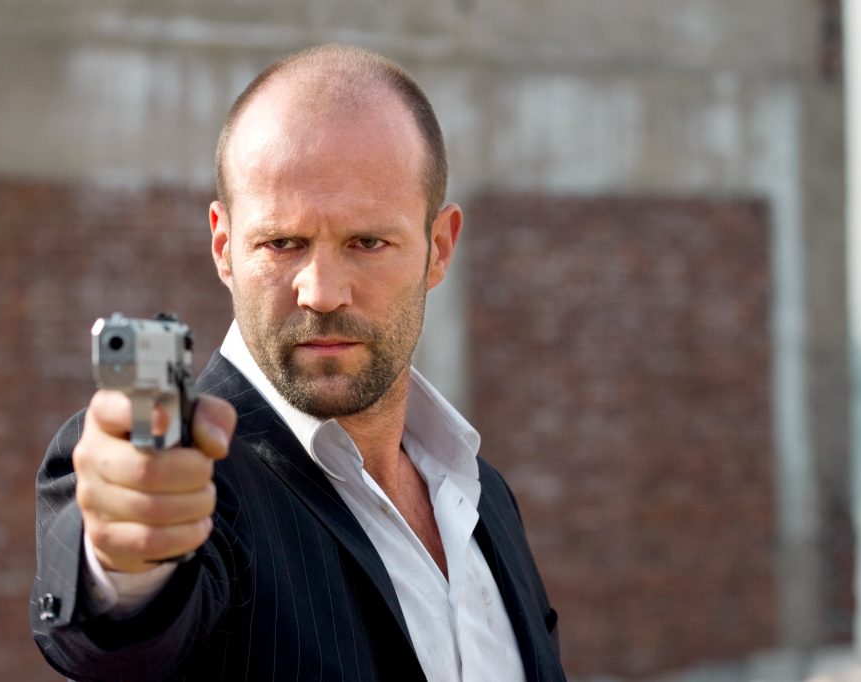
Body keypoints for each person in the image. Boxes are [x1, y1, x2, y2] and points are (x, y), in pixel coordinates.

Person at [31, 44, 565, 682]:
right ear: (225, 247)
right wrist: (125, 563)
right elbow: (120, 642)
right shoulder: (194, 483)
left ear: (439, 247)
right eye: (282, 243)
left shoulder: (484, 497)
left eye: (368, 242)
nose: (321, 291)